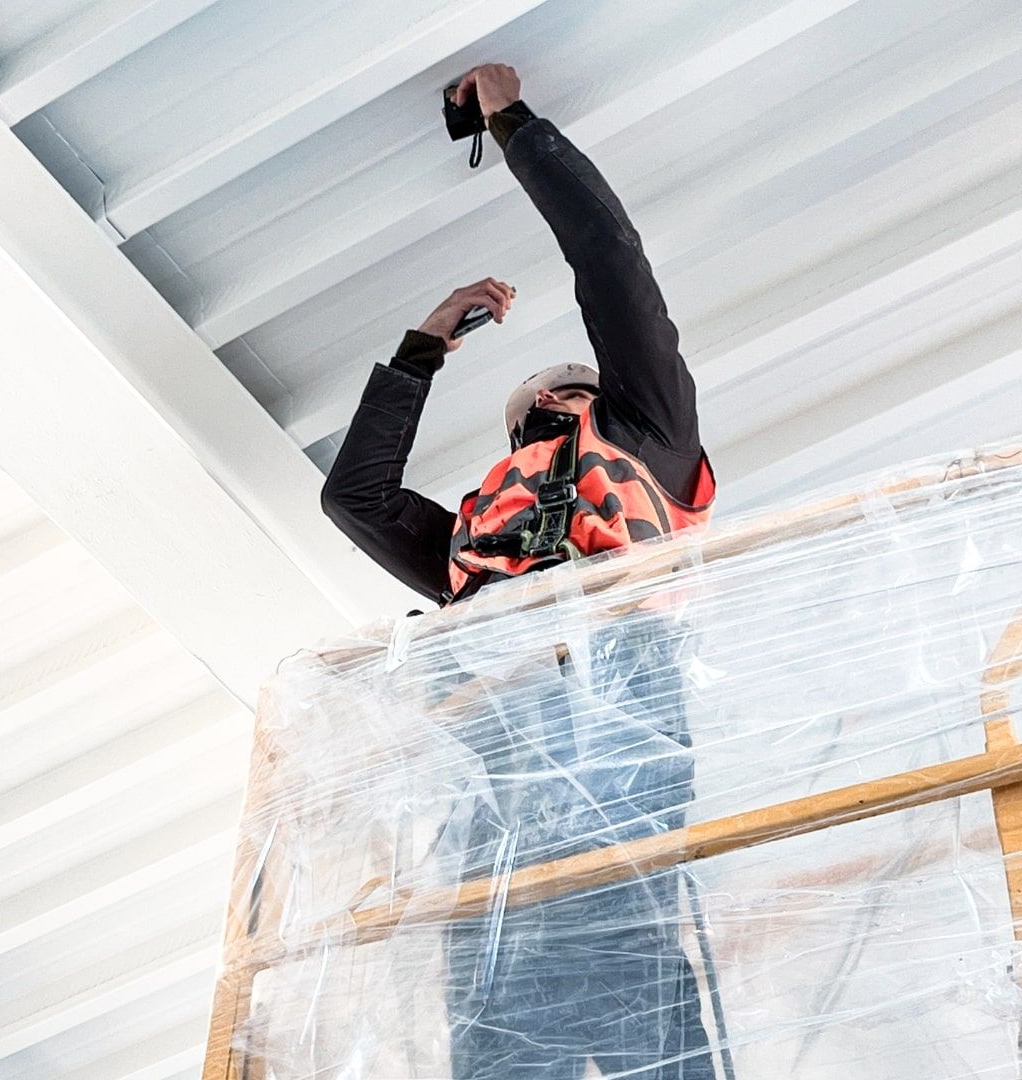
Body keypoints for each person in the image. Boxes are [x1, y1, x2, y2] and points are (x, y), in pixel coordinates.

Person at [323, 64, 718, 1080]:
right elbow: (355, 499)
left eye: (570, 391)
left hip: (614, 723)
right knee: (507, 1008)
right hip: (500, 815)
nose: (551, 402)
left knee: (630, 962)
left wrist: (515, 125)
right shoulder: (477, 543)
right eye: (536, 405)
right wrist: (420, 348)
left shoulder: (651, 437)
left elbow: (610, 265)